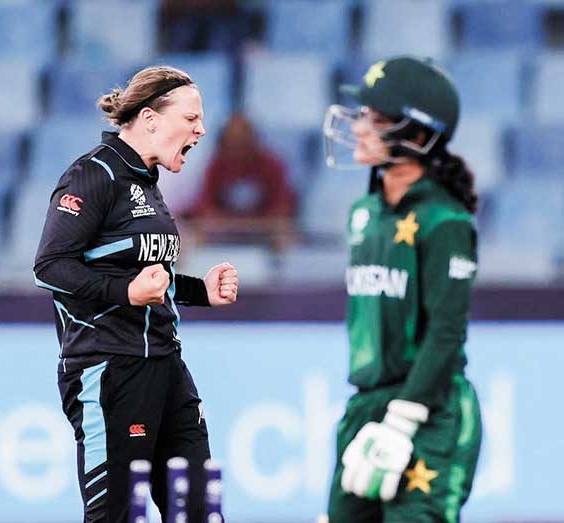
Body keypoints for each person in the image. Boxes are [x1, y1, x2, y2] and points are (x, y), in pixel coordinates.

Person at [34, 65, 239, 522]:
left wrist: (200, 291)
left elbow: (151, 278)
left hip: (166, 364)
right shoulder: (93, 175)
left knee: (201, 512)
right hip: (108, 368)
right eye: (191, 118)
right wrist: (126, 291)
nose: (201, 129)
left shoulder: (147, 182)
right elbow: (50, 267)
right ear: (150, 119)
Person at [321, 55, 482, 523]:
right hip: (365, 406)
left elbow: (447, 333)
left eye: (376, 119)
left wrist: (404, 417)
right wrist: (376, 416)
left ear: (416, 136)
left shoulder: (445, 220)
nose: (359, 128)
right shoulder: (364, 213)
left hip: (430, 411)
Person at [189, 111, 297, 251]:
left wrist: (251, 225)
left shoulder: (271, 165)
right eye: (232, 144)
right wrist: (229, 224)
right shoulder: (216, 165)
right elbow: (205, 208)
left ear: (254, 141)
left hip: (264, 232)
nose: (238, 151)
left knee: (285, 234)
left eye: (243, 143)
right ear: (224, 144)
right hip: (225, 232)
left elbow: (282, 209)